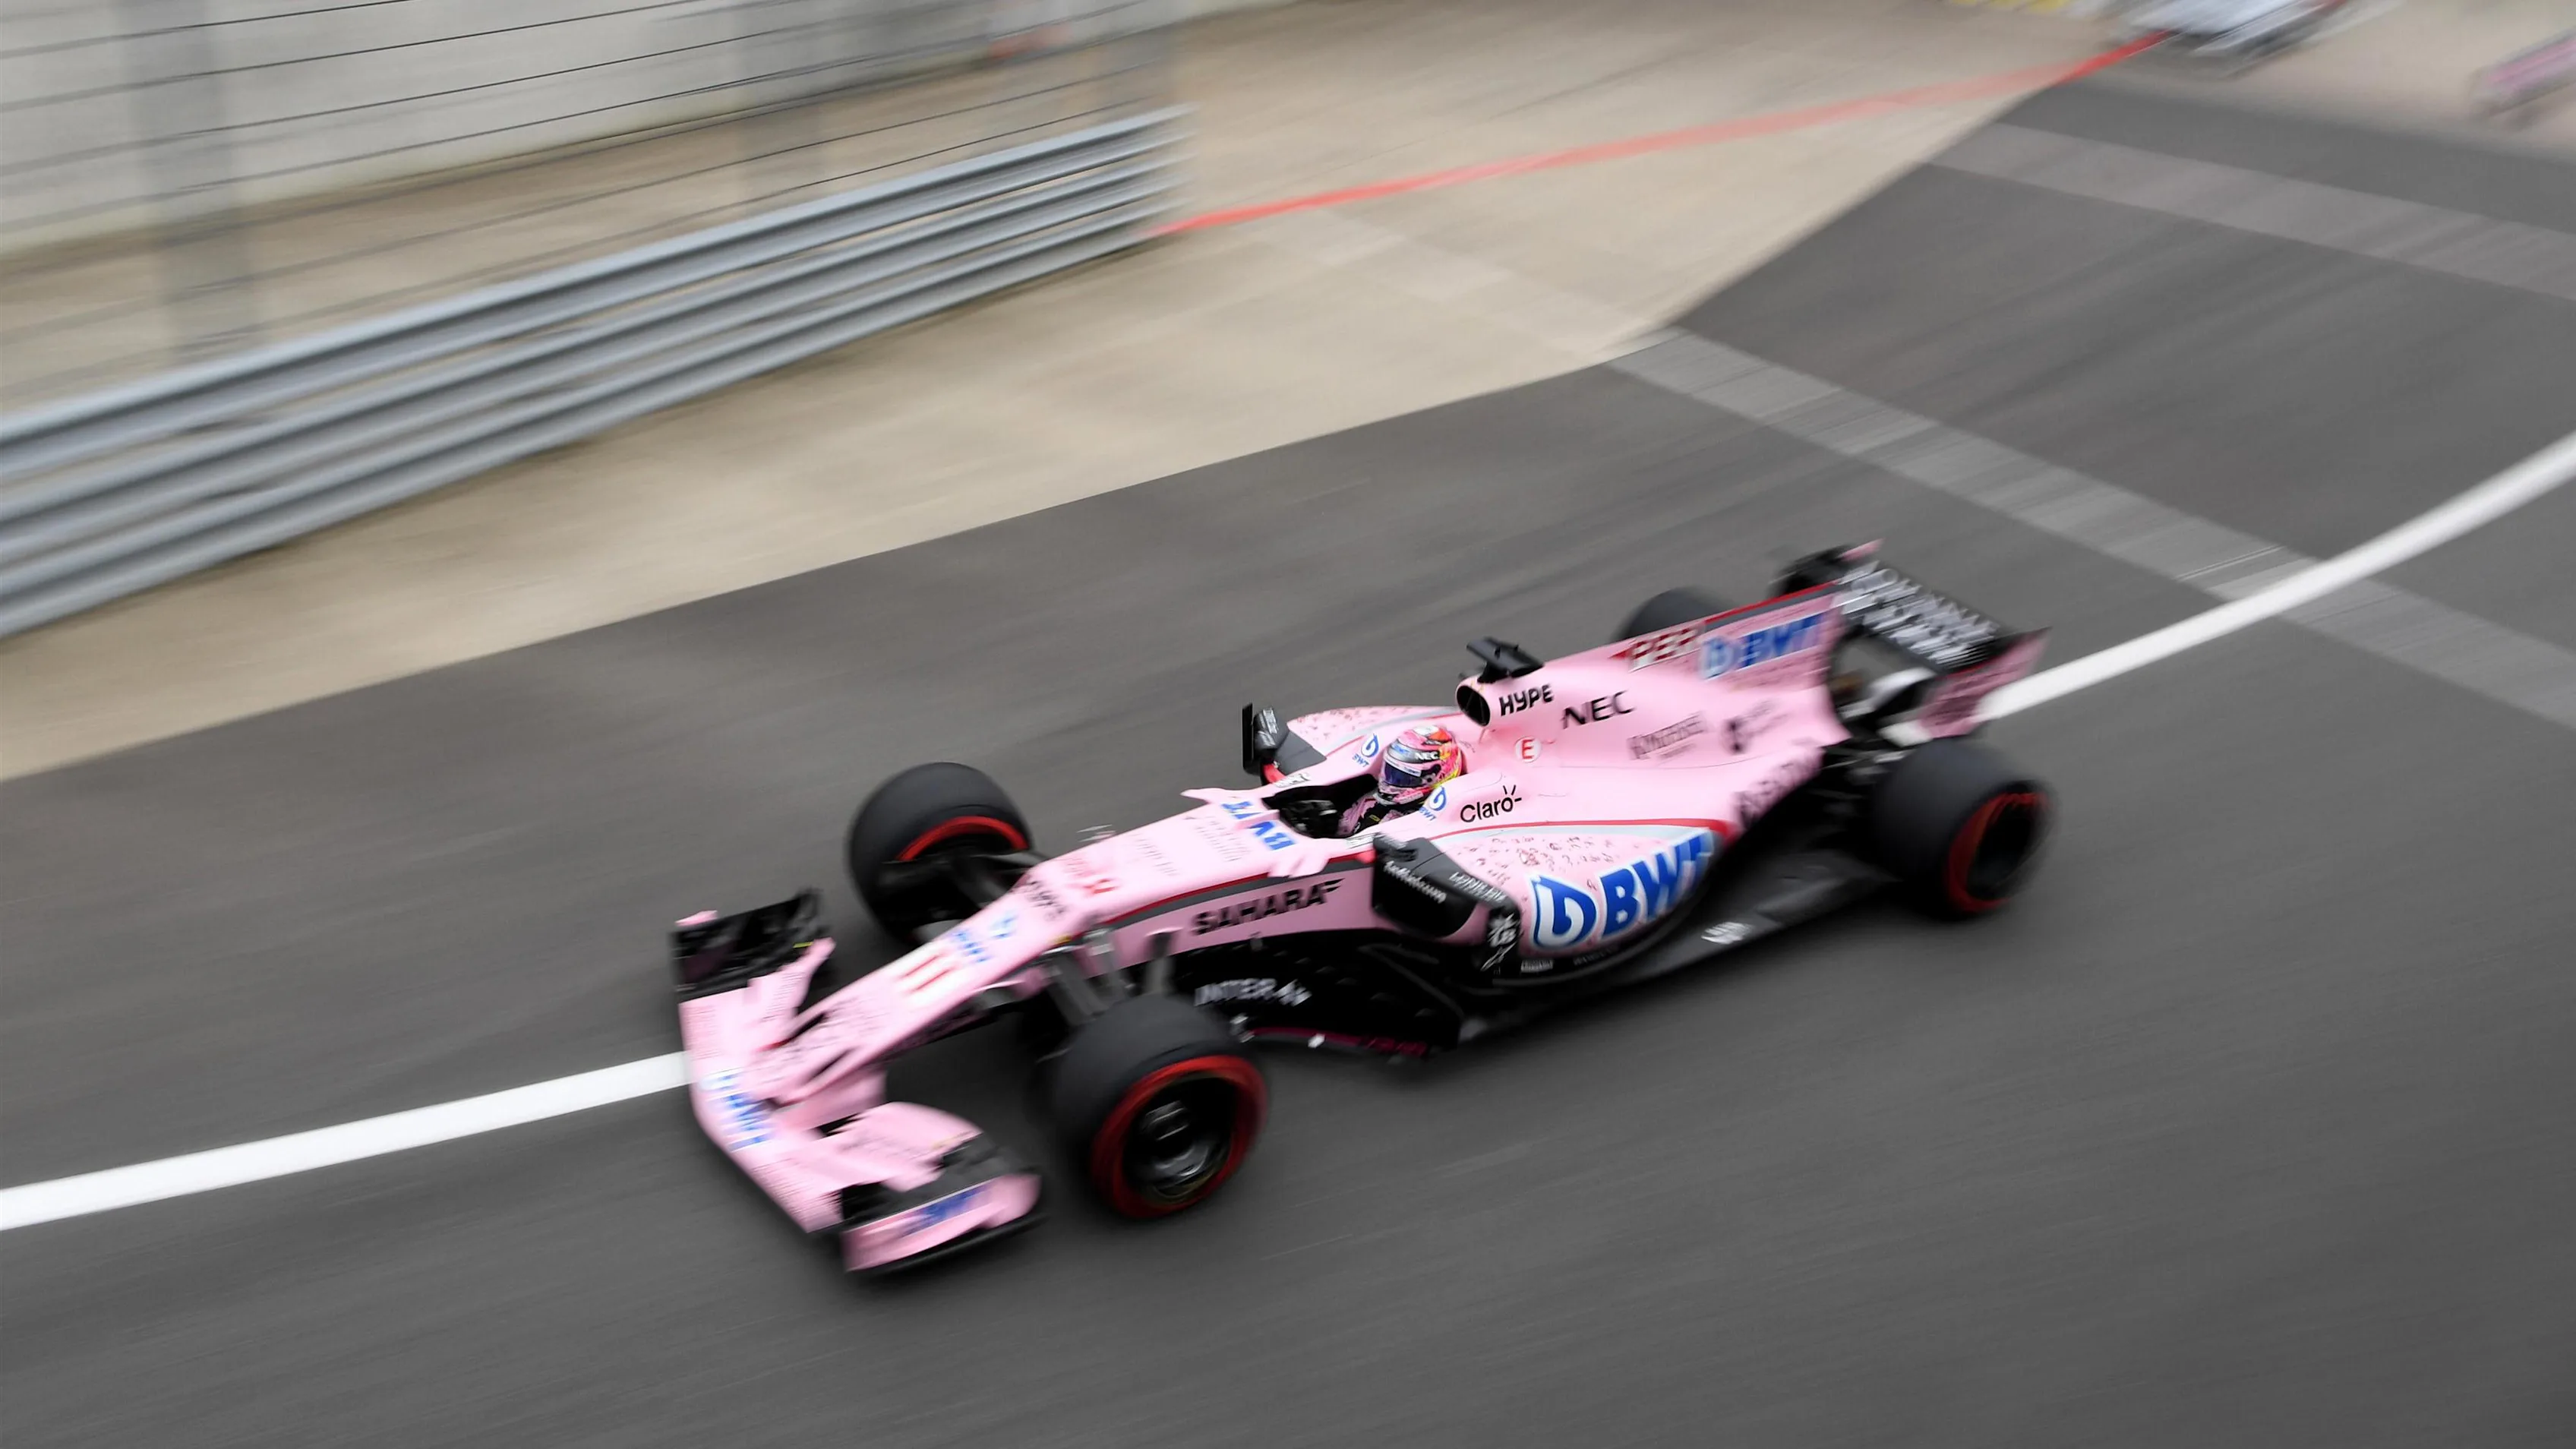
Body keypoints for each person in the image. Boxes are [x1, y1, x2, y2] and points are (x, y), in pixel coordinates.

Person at [1339, 724, 1466, 837]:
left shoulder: (1438, 823)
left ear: (1436, 777)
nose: (1391, 783)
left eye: (1406, 778)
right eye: (1390, 772)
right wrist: (1332, 821)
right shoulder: (1370, 802)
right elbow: (1343, 829)